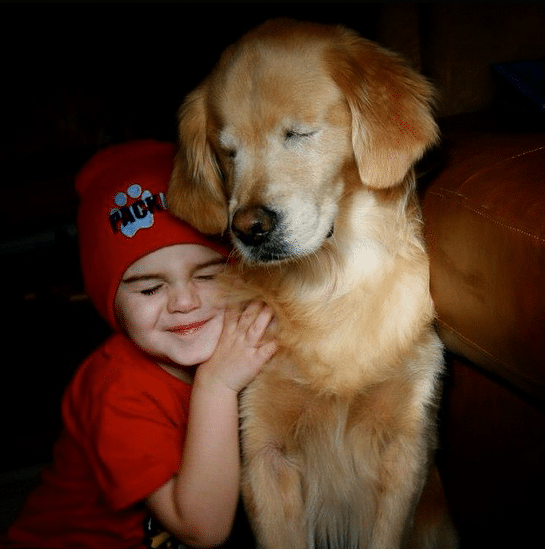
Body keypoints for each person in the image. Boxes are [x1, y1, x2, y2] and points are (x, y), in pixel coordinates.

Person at [1, 141, 277, 549]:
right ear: (110, 305)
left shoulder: (240, 329)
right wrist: (217, 384)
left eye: (207, 276)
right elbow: (202, 527)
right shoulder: (116, 388)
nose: (185, 302)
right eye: (149, 289)